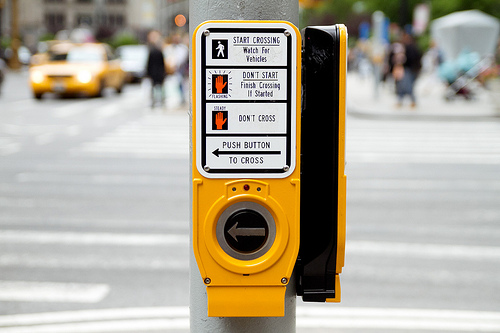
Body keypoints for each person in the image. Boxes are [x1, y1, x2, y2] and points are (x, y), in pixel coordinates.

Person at [389, 32, 422, 107]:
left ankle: (409, 100)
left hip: (408, 69)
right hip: (411, 69)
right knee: (404, 85)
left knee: (406, 85)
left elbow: (408, 59)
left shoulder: (407, 48)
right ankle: (403, 100)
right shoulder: (413, 47)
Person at [146, 30, 166, 108]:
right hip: (159, 72)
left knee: (154, 88)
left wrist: (148, 73)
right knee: (160, 88)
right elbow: (162, 63)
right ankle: (161, 101)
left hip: (153, 73)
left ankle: (154, 102)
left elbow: (149, 63)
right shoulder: (159, 51)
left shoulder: (151, 51)